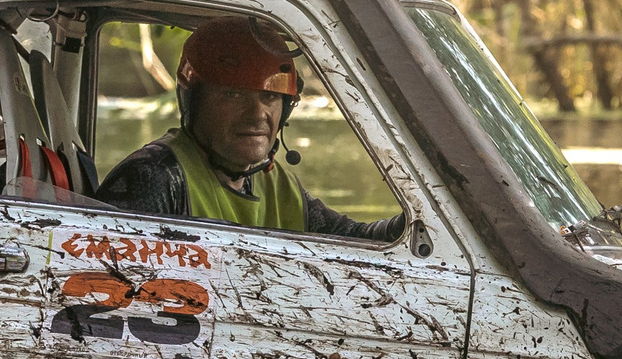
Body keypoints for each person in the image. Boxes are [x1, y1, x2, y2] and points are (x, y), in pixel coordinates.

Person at [97, 16, 406, 242]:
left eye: (269, 97)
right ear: (194, 102)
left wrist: (412, 224)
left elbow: (354, 238)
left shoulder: (274, 182)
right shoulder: (153, 178)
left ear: (285, 109)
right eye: (233, 95)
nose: (257, 114)